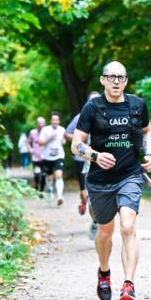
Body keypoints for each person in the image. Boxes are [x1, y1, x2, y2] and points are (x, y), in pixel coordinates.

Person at [70, 61, 151, 300]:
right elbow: (76, 144)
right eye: (111, 77)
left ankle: (129, 284)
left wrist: (148, 155)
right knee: (105, 233)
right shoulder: (92, 107)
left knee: (128, 226)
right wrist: (96, 156)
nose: (116, 81)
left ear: (126, 81)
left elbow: (147, 131)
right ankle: (104, 272)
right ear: (103, 80)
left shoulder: (137, 105)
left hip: (129, 175)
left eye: (121, 77)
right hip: (99, 180)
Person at [65, 92, 102, 236]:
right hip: (84, 161)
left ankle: (101, 220)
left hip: (106, 162)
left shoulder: (108, 115)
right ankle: (95, 221)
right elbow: (68, 134)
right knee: (89, 196)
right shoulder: (80, 117)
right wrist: (79, 139)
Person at [39, 112, 67, 205]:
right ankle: (49, 190)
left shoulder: (62, 130)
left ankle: (60, 197)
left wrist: (64, 141)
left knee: (59, 175)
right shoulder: (45, 130)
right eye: (53, 120)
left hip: (59, 156)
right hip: (47, 157)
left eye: (56, 120)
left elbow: (64, 140)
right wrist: (49, 138)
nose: (55, 121)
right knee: (50, 178)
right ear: (50, 121)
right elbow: (40, 143)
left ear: (59, 121)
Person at [27, 116, 46, 193]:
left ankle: (41, 191)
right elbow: (28, 142)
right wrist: (30, 149)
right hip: (35, 157)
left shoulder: (46, 132)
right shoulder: (32, 132)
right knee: (37, 174)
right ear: (37, 124)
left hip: (45, 157)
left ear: (44, 124)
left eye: (42, 123)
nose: (41, 125)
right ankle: (36, 186)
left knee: (44, 175)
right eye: (39, 123)